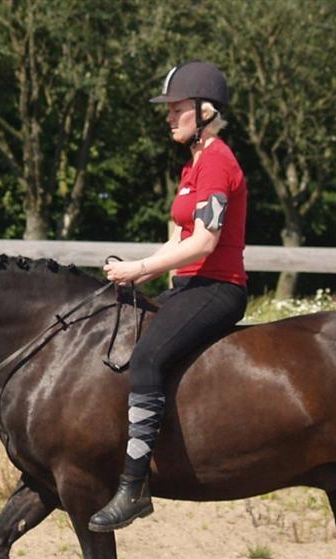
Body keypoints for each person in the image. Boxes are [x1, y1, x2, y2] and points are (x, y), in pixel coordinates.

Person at [88, 61, 248, 533]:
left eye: (176, 109)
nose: (168, 117)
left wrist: (138, 269)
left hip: (218, 288)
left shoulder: (218, 161)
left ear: (203, 111)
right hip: (187, 284)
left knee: (147, 359)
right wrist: (138, 274)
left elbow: (203, 243)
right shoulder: (191, 167)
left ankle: (135, 486)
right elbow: (177, 243)